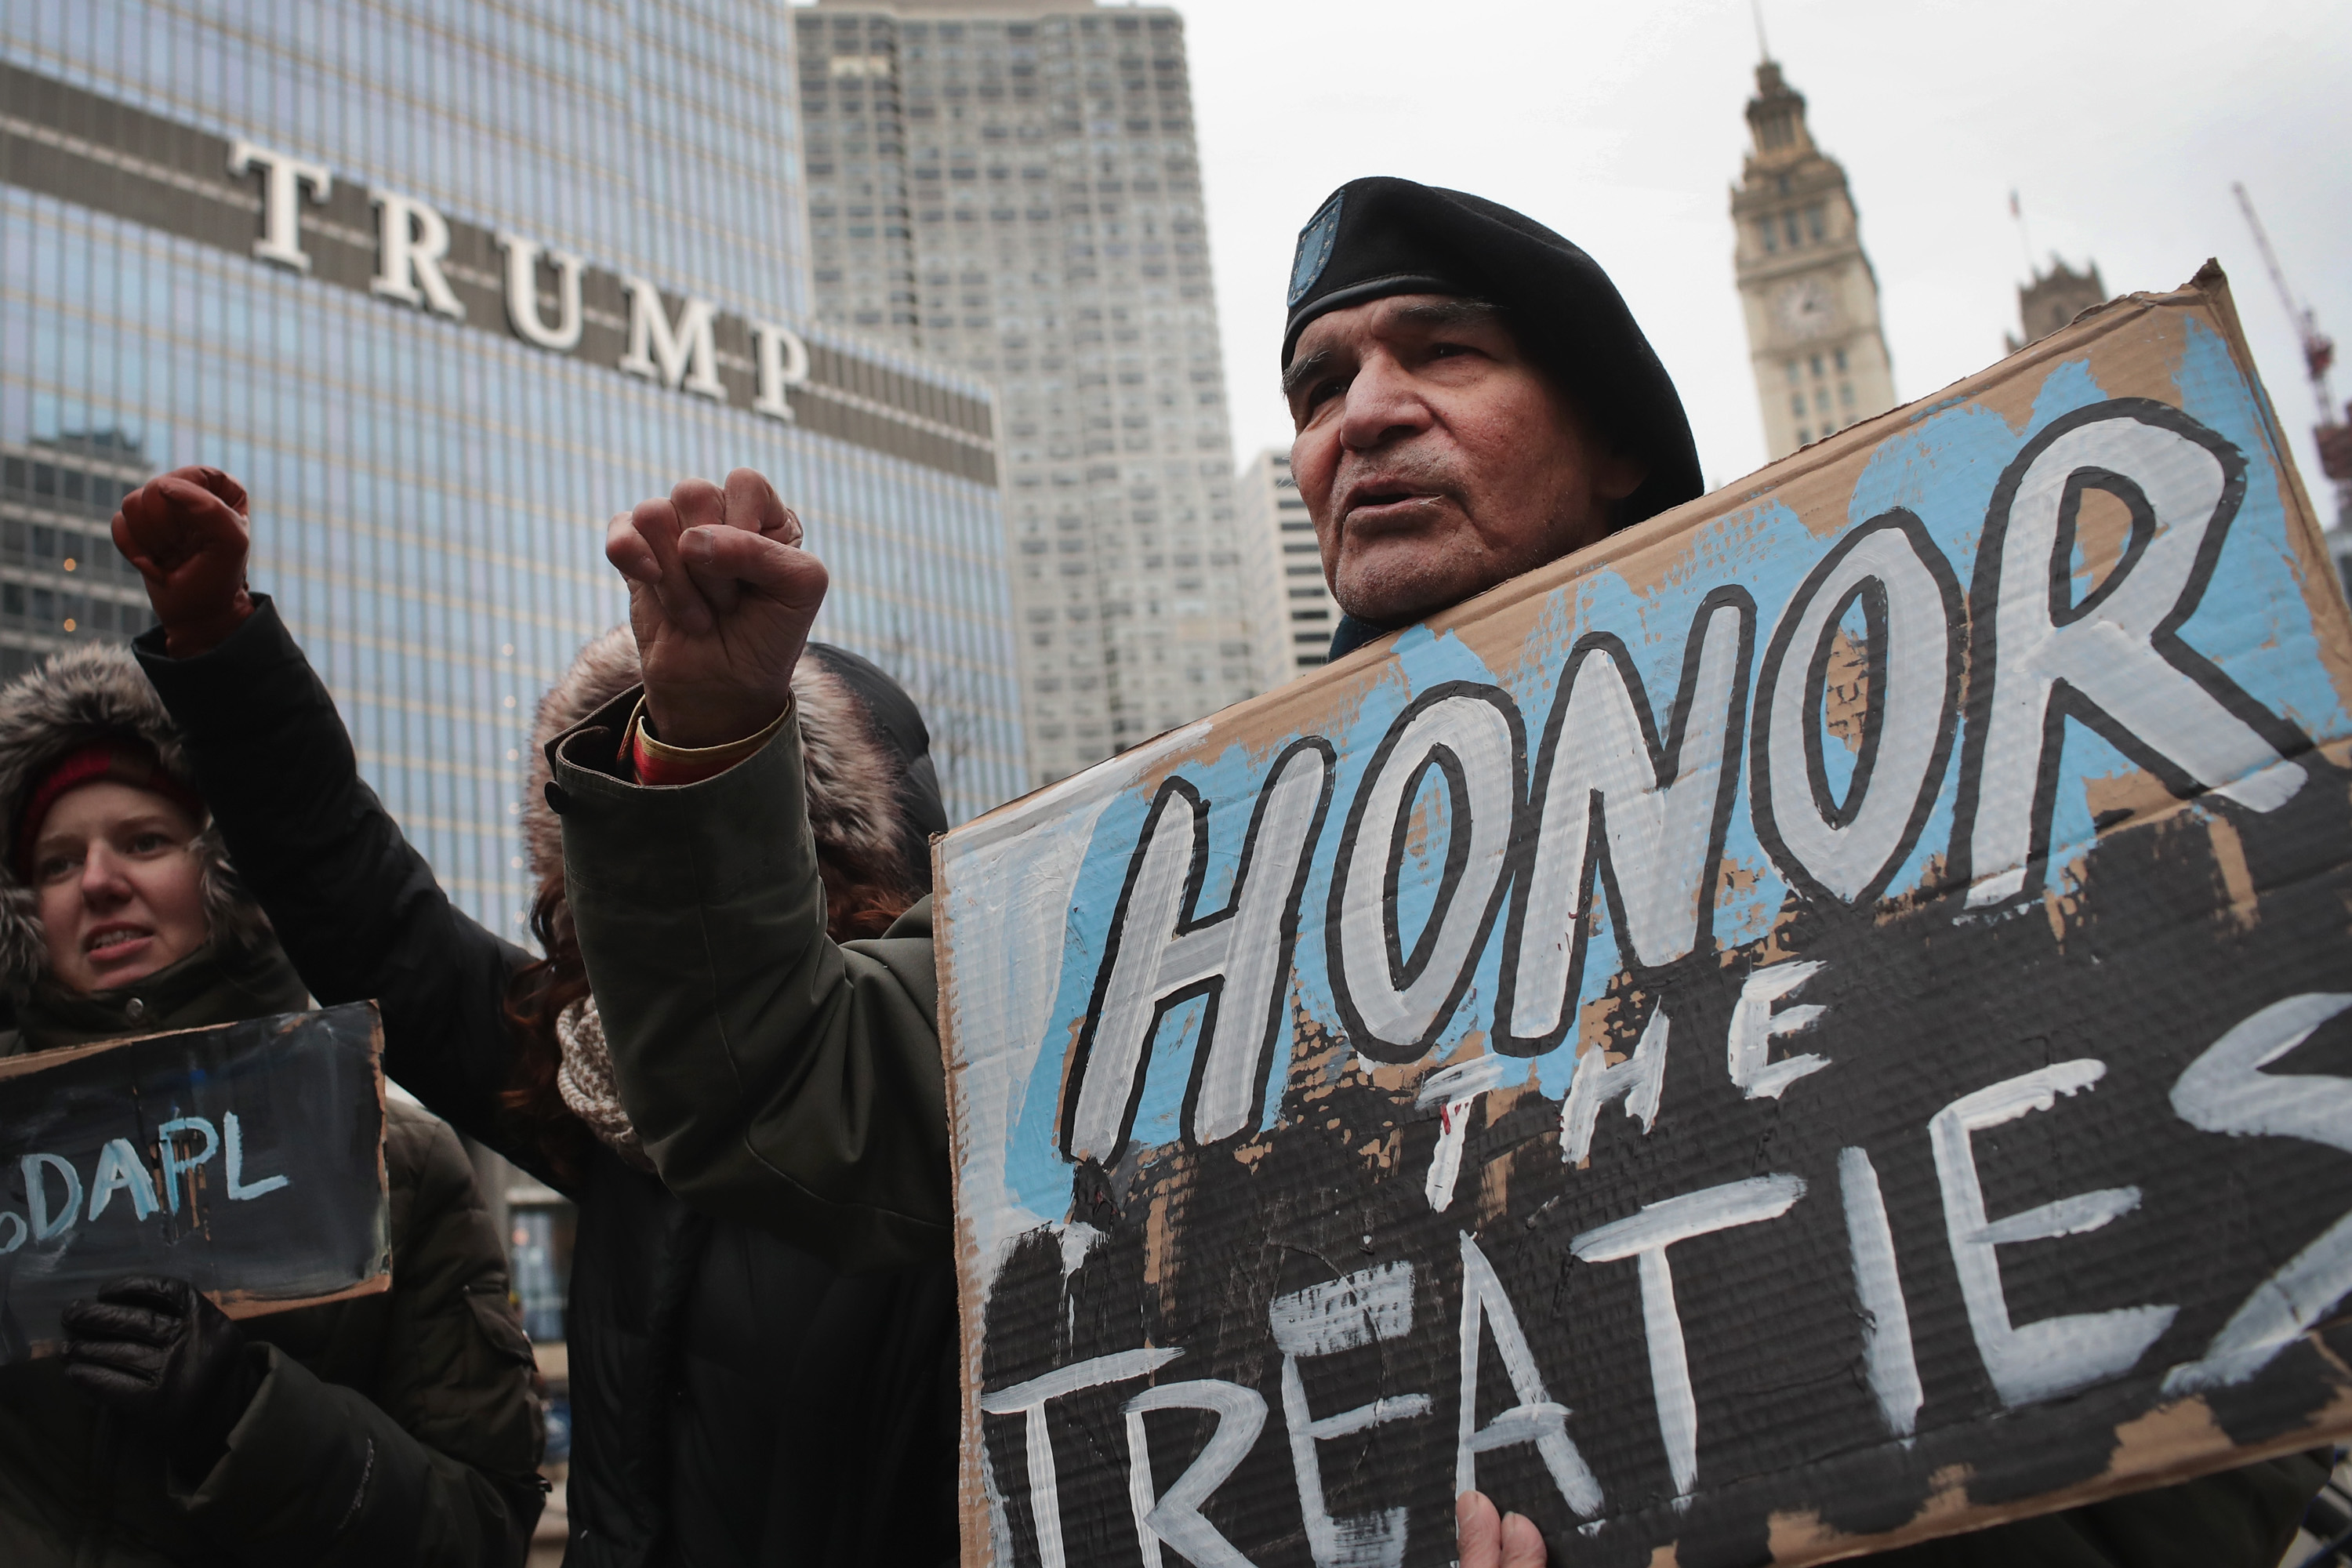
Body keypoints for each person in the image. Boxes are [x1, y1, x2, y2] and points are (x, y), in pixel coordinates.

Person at [549, 179, 2326, 1563]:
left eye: (1439, 355)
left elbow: (2190, 1410)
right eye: (1321, 384)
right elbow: (763, 1085)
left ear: (1612, 433)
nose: (1361, 414)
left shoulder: (1918, 756)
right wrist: (708, 735)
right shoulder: (1169, 896)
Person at [111, 465, 961, 1566]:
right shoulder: (593, 1082)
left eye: (704, 798)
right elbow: (365, 908)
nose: (658, 864)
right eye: (628, 819)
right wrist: (220, 647)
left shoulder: (947, 1085)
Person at [0, 639, 544, 1566]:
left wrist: (248, 1415)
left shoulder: (391, 1157)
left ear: (223, 868)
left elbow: (482, 1526)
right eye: (57, 862)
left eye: (144, 840)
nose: (97, 881)